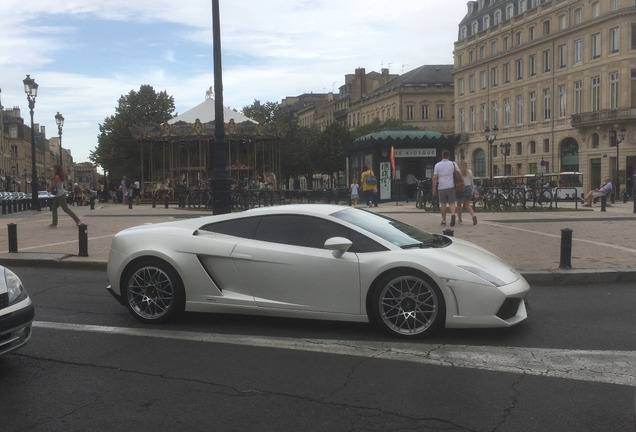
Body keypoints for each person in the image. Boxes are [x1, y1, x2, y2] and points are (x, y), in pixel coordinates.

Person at [432, 149, 459, 227]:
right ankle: (453, 214)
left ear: (442, 156)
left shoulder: (437, 165)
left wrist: (434, 189)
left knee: (443, 203)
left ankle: (444, 220)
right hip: (451, 186)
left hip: (441, 187)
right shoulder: (453, 164)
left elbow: (435, 178)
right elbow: (459, 173)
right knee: (452, 202)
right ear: (449, 156)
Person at [456, 161, 477, 225]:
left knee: (459, 205)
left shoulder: (458, 172)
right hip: (468, 188)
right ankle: (473, 216)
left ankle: (460, 220)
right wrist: (473, 190)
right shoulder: (469, 172)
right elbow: (472, 182)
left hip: (460, 188)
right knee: (467, 205)